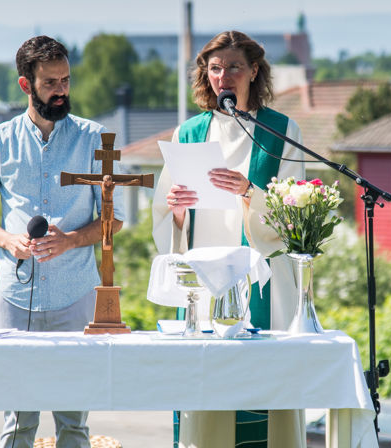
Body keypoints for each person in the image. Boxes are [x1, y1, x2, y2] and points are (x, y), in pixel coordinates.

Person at [151, 31, 306, 448]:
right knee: (209, 409)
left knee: (266, 403)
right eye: (215, 69)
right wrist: (178, 209)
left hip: (264, 287)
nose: (224, 77)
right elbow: (167, 218)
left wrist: (248, 191)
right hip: (203, 289)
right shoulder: (190, 132)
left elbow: (295, 212)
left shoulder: (281, 129)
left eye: (235, 67)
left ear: (254, 71)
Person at [0, 35, 125, 448]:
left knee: (73, 424)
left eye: (66, 80)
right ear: (26, 85)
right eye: (50, 83)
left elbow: (115, 219)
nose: (61, 91)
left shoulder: (96, 138)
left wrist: (72, 239)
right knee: (18, 423)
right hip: (14, 297)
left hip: (76, 296)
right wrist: (8, 241)